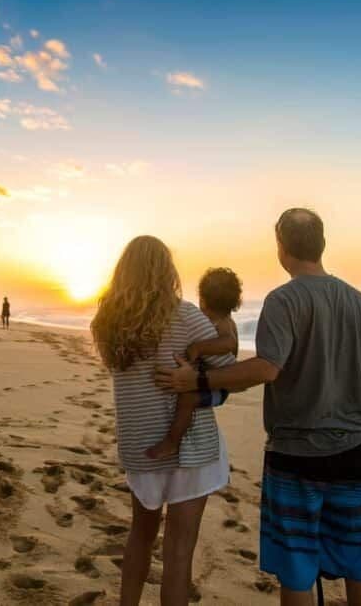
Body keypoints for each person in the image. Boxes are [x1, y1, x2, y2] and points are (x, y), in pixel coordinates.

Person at [155, 208, 361, 606]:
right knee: (359, 562)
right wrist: (341, 403)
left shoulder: (283, 301)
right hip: (354, 451)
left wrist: (198, 380)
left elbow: (267, 368)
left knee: (297, 568)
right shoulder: (357, 299)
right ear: (323, 244)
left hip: (295, 456)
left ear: (281, 248)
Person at [91, 236, 235, 606]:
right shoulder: (185, 315)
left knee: (139, 535)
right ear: (165, 271)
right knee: (178, 553)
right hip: (190, 451)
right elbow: (227, 370)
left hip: (140, 447)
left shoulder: (107, 323)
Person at [146, 267, 242, 460]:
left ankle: (172, 442)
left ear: (202, 299)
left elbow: (228, 344)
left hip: (219, 388)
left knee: (188, 398)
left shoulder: (224, 322)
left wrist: (199, 347)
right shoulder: (208, 319)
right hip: (209, 379)